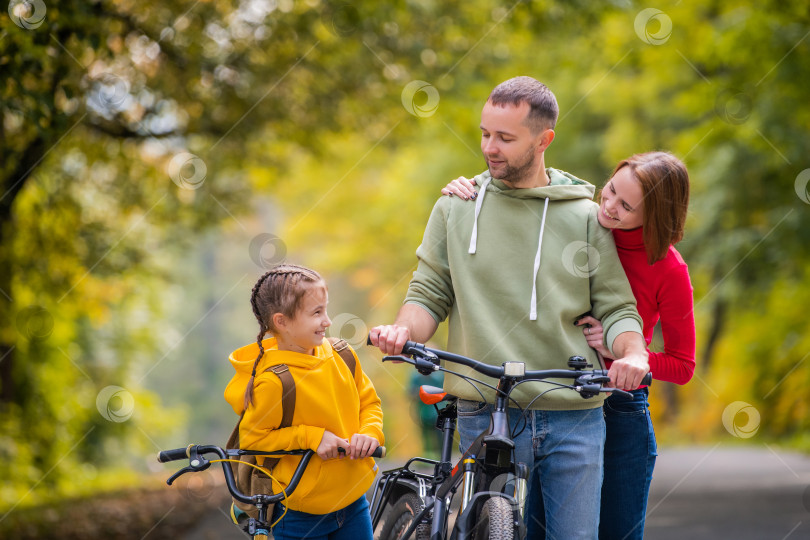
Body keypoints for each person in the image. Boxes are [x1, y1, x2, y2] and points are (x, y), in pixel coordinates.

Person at [369, 76, 650, 540]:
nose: (489, 147)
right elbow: (429, 293)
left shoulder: (584, 217)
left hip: (573, 412)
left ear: (544, 140)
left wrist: (634, 354)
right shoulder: (455, 210)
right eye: (485, 134)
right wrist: (403, 331)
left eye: (504, 137)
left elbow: (617, 307)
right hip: (484, 408)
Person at [442, 151, 696, 540]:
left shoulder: (668, 268)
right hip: (557, 399)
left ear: (657, 216)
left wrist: (621, 355)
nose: (608, 207)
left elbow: (683, 365)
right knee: (538, 530)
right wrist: (472, 188)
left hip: (620, 405)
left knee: (617, 532)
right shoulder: (576, 222)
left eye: (626, 206)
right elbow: (523, 195)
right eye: (610, 190)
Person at [224, 264, 384, 540]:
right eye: (316, 313)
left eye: (326, 309)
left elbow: (369, 404)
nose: (328, 321)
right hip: (299, 515)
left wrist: (369, 433)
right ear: (281, 322)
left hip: (353, 503)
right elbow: (252, 441)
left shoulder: (342, 356)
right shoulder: (274, 382)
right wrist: (311, 437)